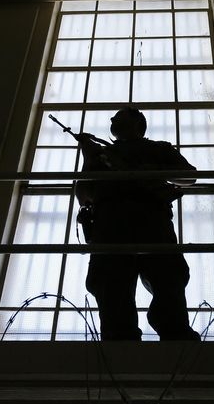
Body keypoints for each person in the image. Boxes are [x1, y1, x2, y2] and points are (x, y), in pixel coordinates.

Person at [76, 106, 201, 341]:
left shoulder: (158, 149)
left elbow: (188, 176)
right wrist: (88, 156)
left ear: (138, 123)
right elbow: (84, 192)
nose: (113, 120)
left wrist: (149, 171)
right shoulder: (102, 155)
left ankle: (175, 334)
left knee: (167, 281)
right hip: (111, 225)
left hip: (151, 222)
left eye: (120, 116)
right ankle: (120, 339)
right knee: (111, 287)